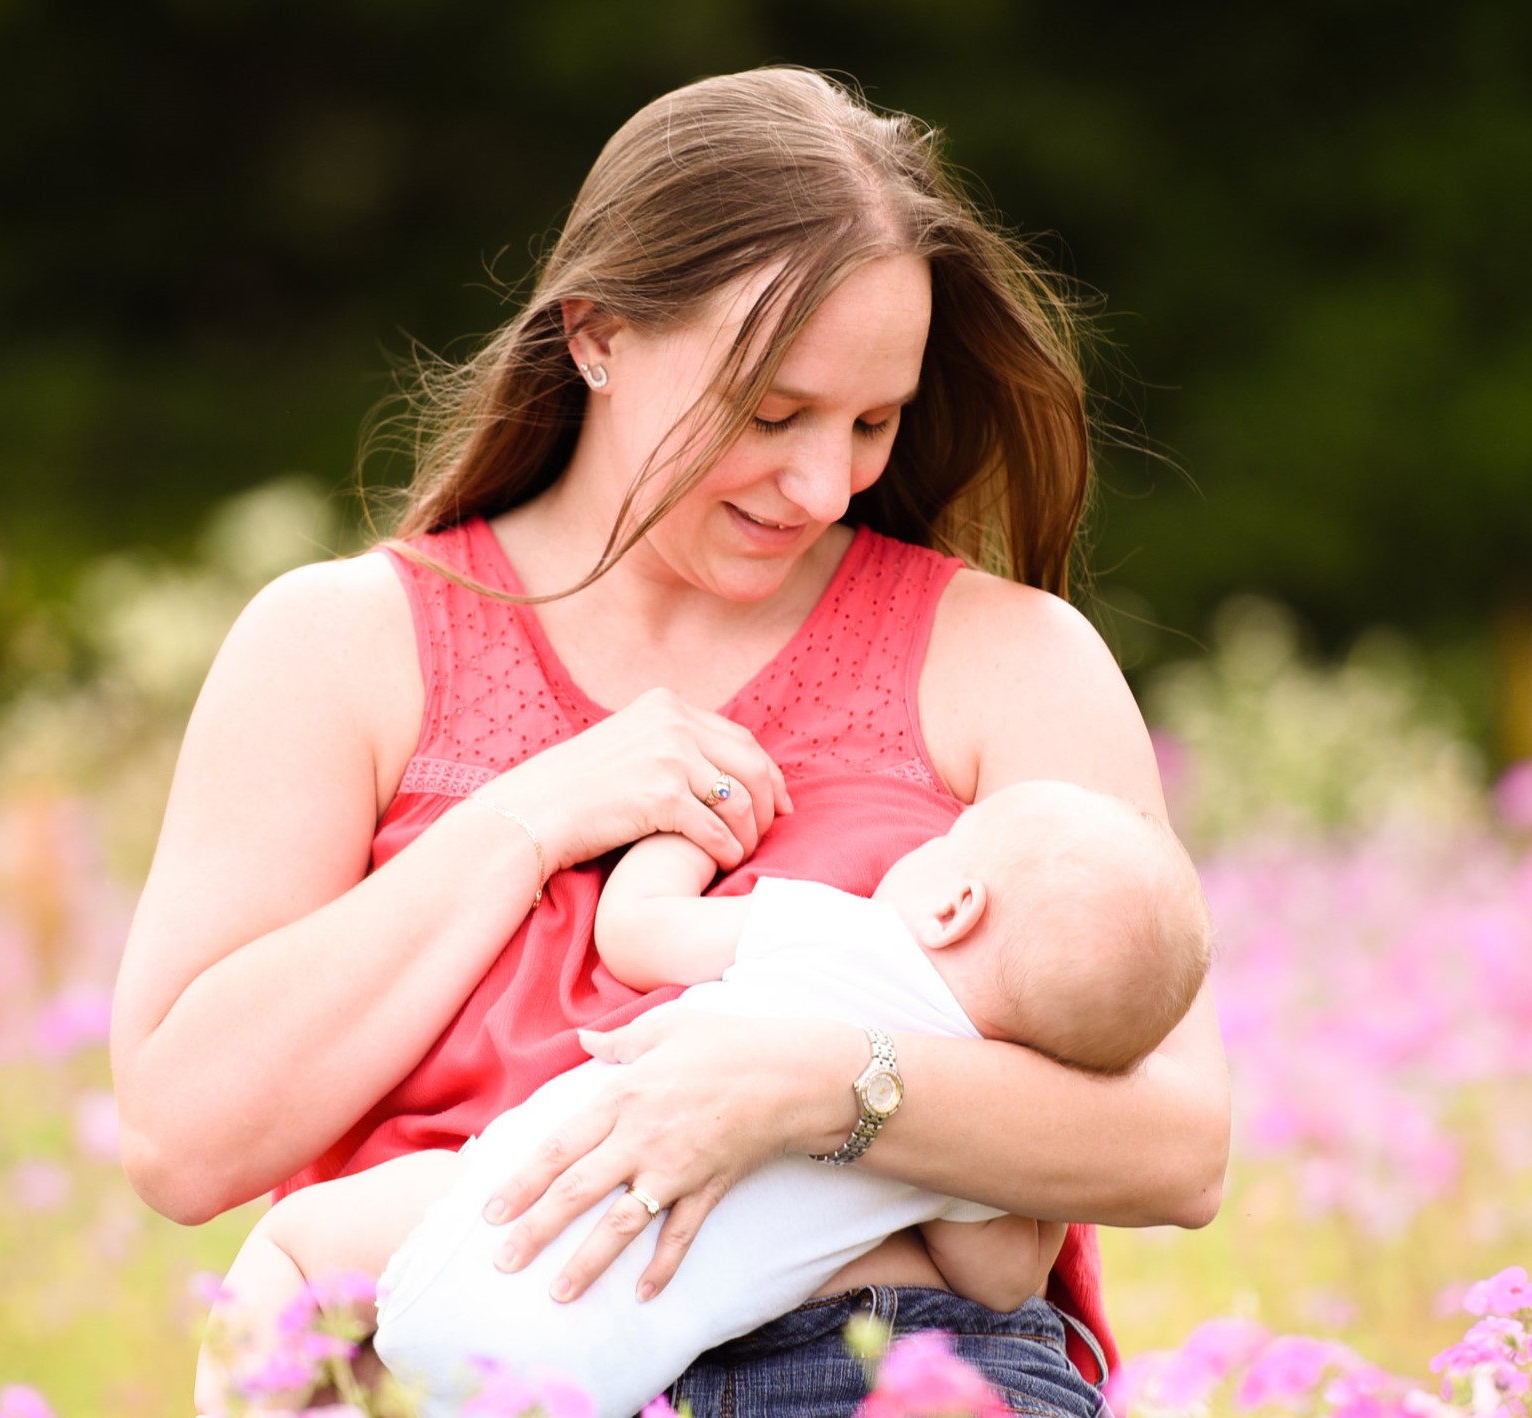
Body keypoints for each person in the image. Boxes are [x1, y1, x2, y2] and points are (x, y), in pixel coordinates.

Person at [109, 66, 1231, 1417]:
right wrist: (532, 817)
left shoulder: (1011, 660)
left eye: (872, 422)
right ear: (595, 333)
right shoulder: (337, 648)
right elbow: (181, 1138)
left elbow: (1178, 1146)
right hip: (480, 1370)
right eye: (770, 414)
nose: (823, 484)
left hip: (884, 1371)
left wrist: (826, 1086)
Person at [207, 782, 1211, 1417]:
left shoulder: (841, 933)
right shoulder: (968, 1136)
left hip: (486, 1225)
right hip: (593, 1378)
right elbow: (998, 1279)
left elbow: (636, 932)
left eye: (952, 837)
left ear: (954, 903)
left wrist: (690, 829)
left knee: (301, 1239)